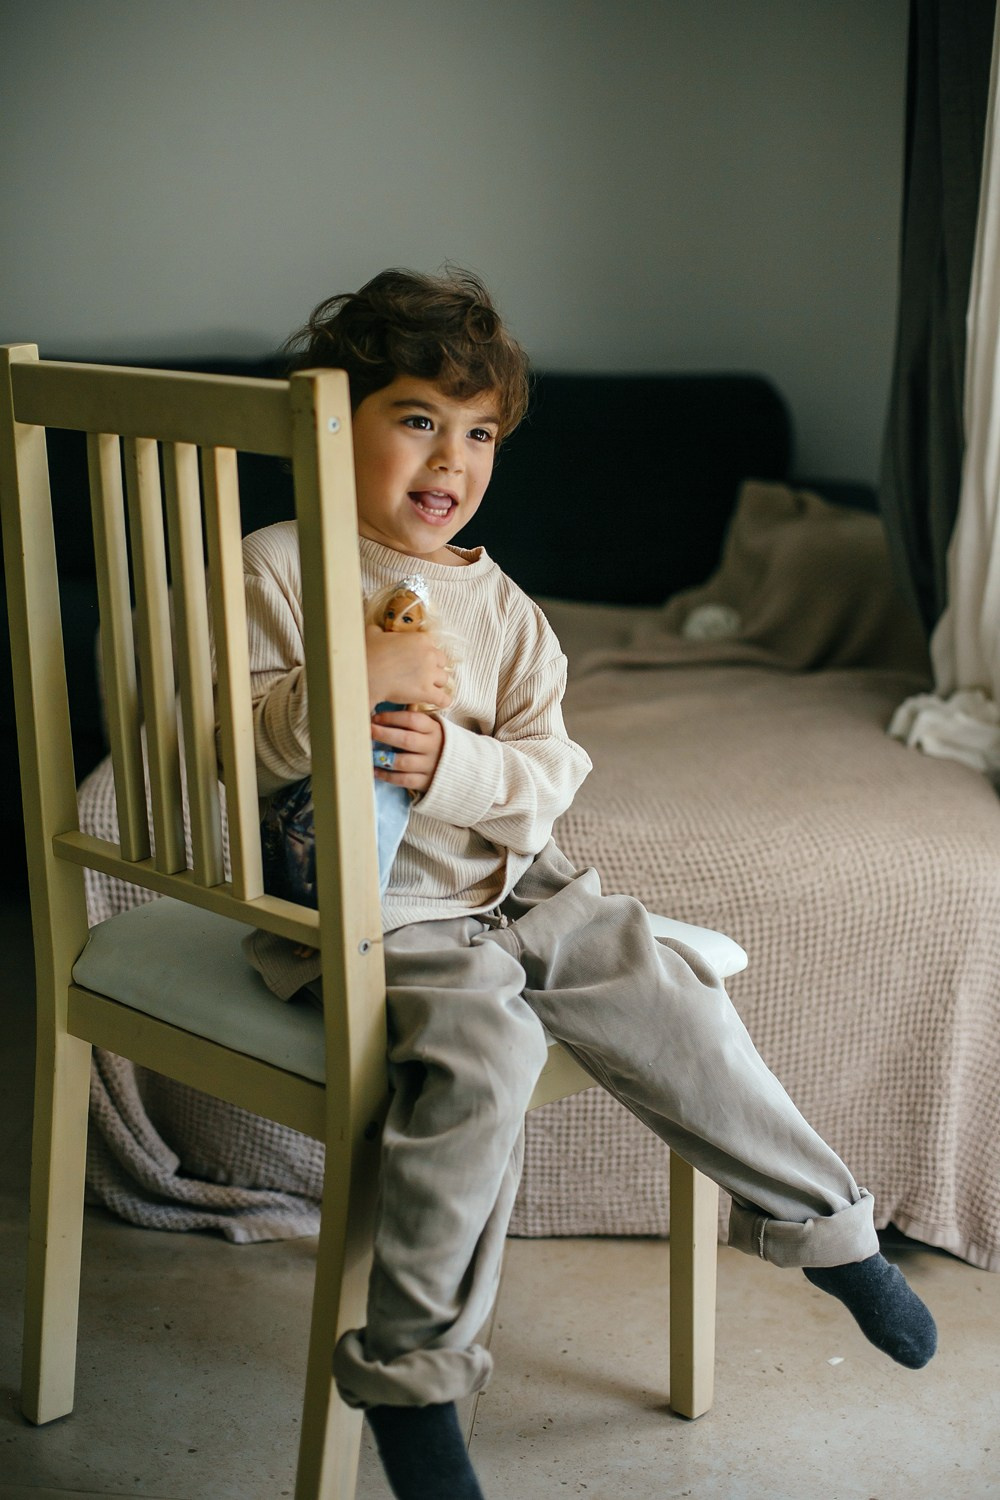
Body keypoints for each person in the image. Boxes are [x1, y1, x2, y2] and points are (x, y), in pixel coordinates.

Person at [240, 268, 937, 1500]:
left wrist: (458, 762)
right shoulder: (277, 571)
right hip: (373, 914)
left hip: (517, 885)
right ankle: (414, 1380)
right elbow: (218, 741)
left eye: (478, 432)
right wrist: (349, 678)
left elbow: (547, 775)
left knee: (664, 989)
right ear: (334, 421)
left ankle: (831, 1232)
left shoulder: (506, 611)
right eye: (414, 418)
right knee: (485, 1050)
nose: (448, 457)